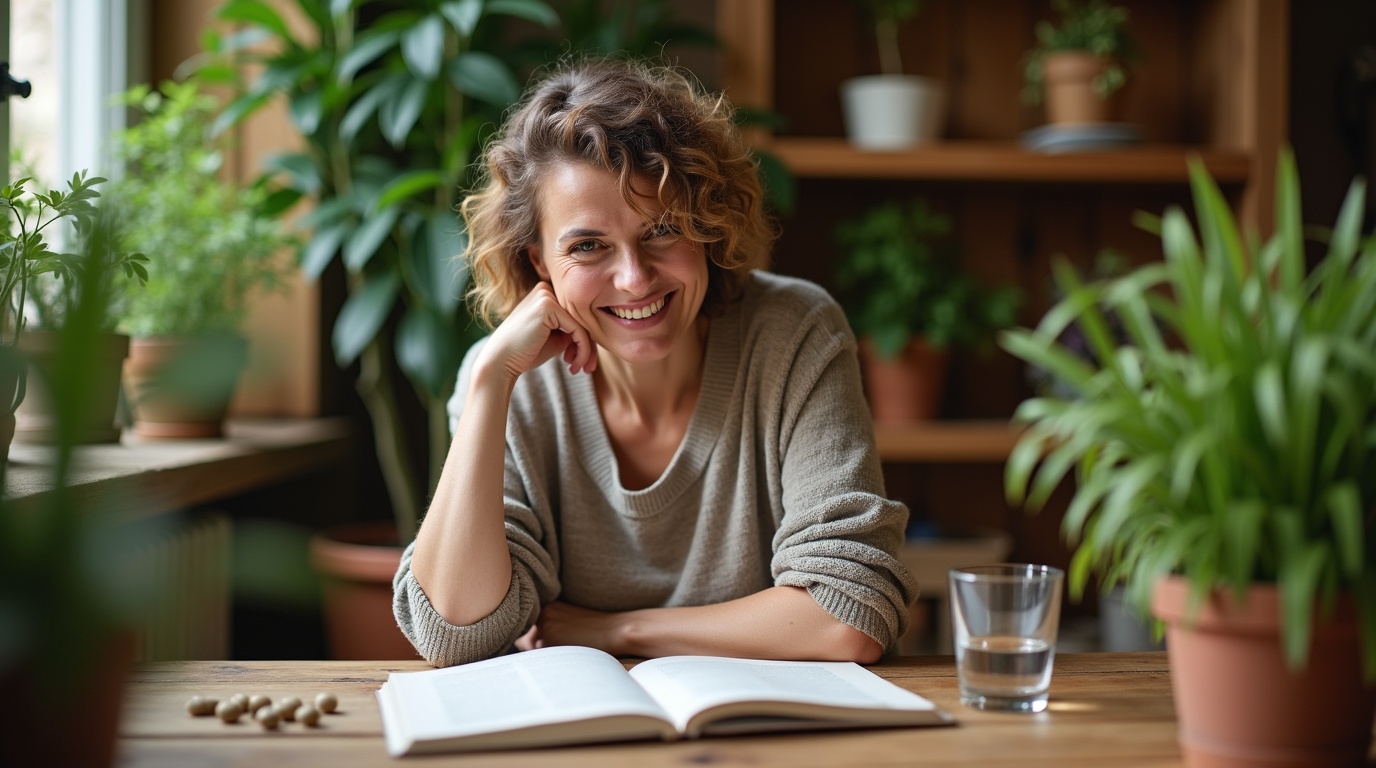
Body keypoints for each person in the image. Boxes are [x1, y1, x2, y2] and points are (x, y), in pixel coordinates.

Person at [393, 57, 917, 667]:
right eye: (588, 246)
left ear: (706, 225)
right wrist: (489, 383)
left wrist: (618, 632)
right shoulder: (513, 381)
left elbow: (848, 617)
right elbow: (452, 631)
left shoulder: (793, 334)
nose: (635, 278)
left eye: (663, 229)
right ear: (539, 262)